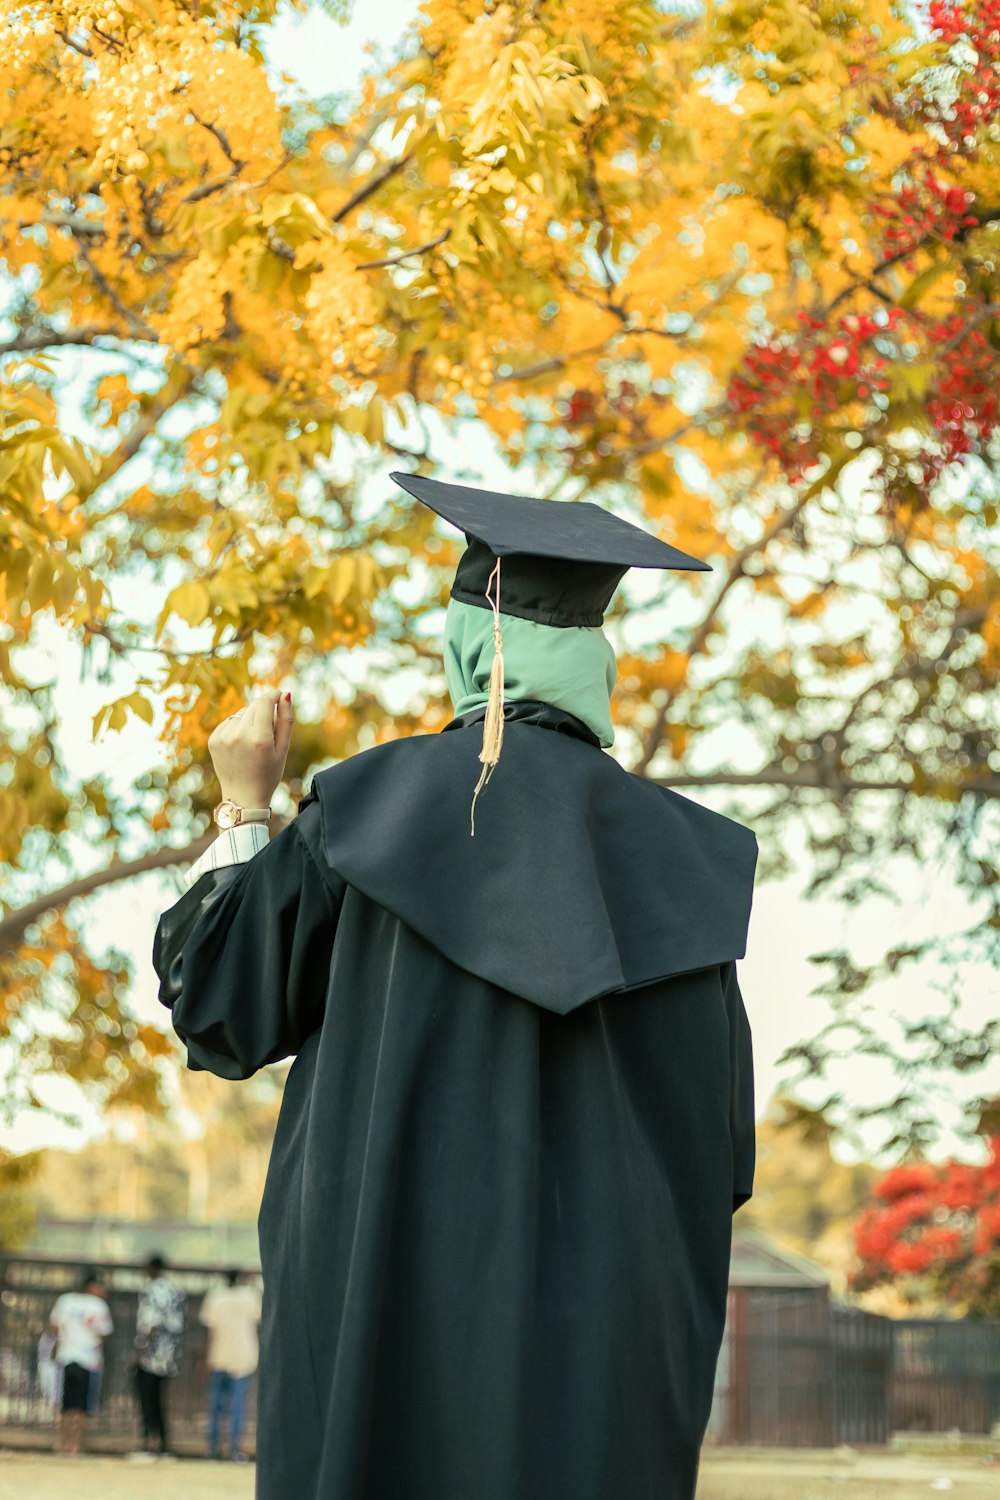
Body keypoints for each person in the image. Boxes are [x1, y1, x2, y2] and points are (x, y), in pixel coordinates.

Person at [152, 473, 759, 1500]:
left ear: (469, 650)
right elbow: (721, 1157)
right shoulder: (689, 865)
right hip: (608, 1357)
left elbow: (218, 1004)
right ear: (590, 663)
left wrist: (241, 807)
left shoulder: (367, 815)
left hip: (385, 1317)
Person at [48, 1269, 113, 1455]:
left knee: (63, 1403)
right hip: (89, 1359)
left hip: (66, 1356)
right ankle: (75, 1445)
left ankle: (60, 1443)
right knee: (81, 1406)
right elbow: (105, 1333)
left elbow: (54, 1325)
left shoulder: (65, 1300)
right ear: (91, 1286)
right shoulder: (99, 1305)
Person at [199, 1268, 262, 1461]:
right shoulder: (250, 1296)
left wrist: (204, 1358)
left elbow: (209, 1330)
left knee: (216, 1406)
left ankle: (212, 1449)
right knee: (238, 1407)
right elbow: (260, 1316)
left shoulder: (215, 1297)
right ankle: (234, 1449)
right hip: (244, 1357)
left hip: (219, 1356)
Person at [131, 1253, 186, 1460]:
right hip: (169, 1355)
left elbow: (150, 1323)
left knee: (147, 1400)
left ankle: (147, 1443)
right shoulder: (175, 1291)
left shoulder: (151, 1290)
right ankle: (163, 1445)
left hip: (151, 1355)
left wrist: (139, 1351)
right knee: (160, 1401)